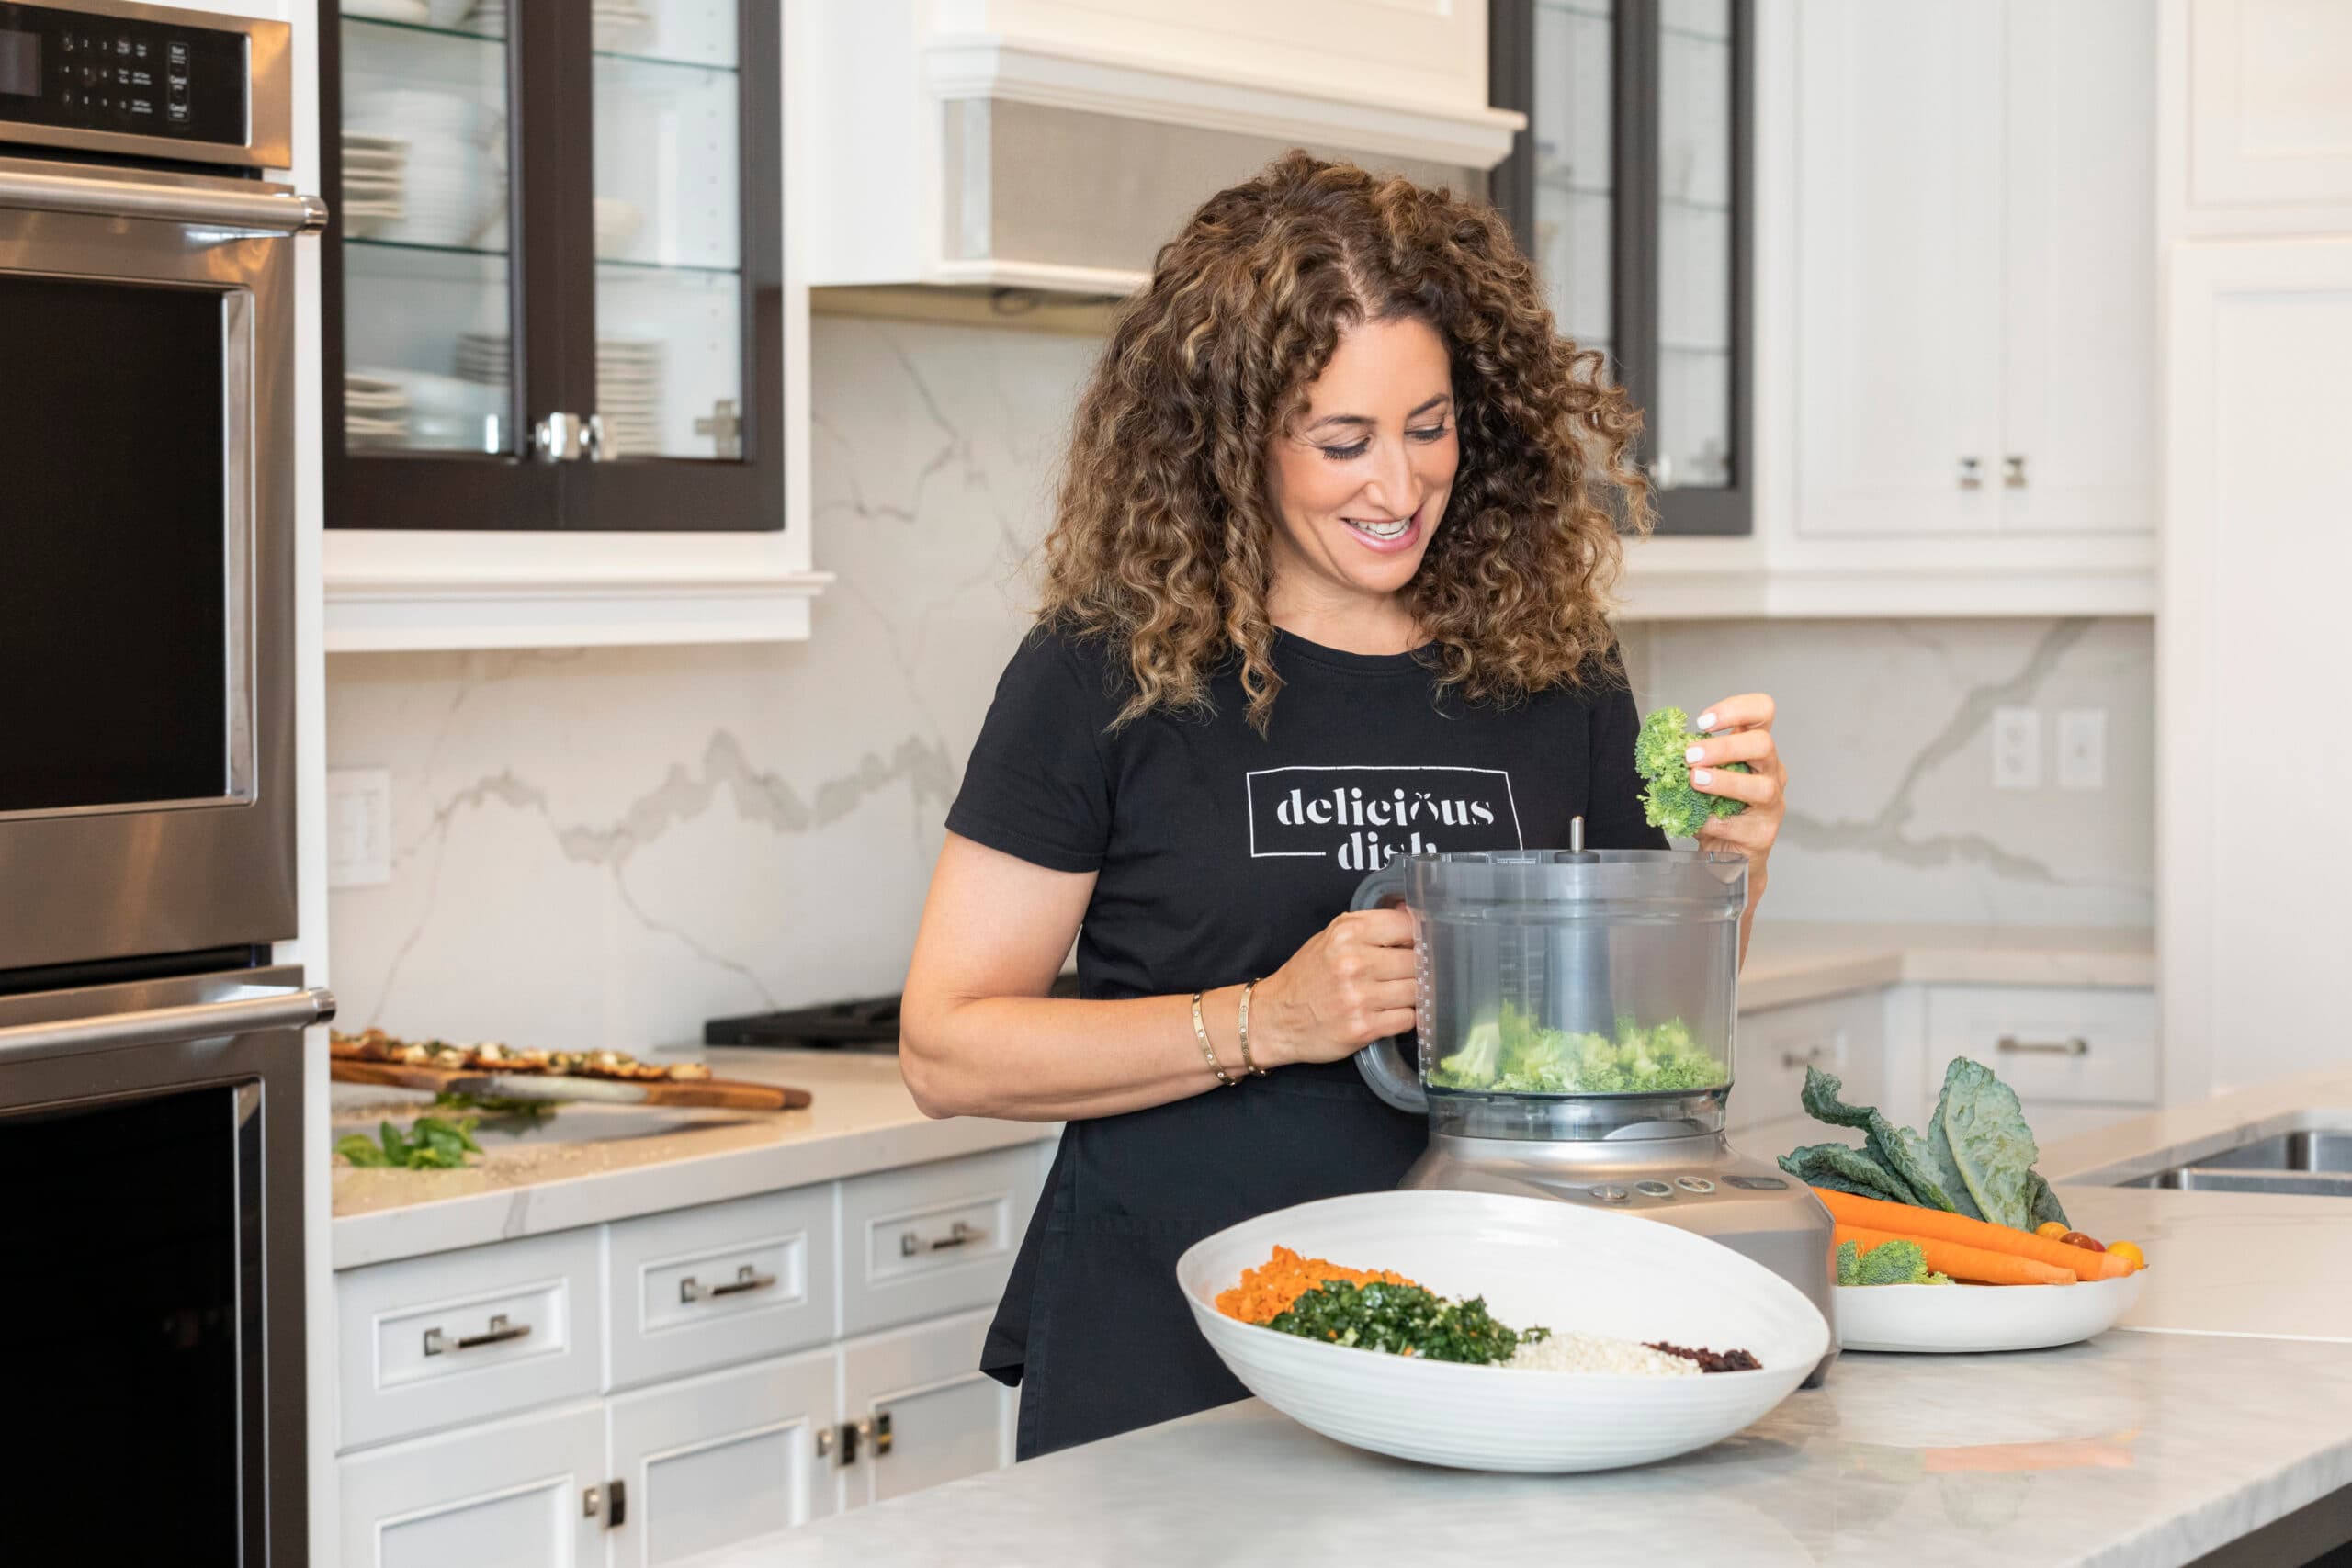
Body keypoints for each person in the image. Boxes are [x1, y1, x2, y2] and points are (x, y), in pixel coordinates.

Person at [899, 151, 1786, 1459]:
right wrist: (1274, 1018)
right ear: (1231, 437)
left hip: (1488, 1331)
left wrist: (1726, 868)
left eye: (1430, 426)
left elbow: (1643, 1046)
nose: (1398, 485)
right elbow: (947, 1048)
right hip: (1173, 1345)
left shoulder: (1551, 657)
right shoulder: (1105, 664)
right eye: (1343, 441)